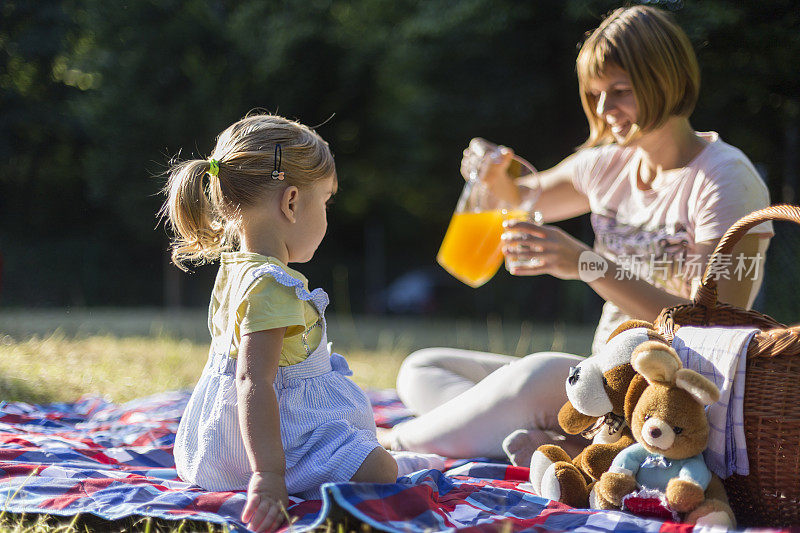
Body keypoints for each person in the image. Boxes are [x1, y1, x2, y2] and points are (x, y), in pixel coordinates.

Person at [379, 5, 773, 465]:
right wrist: (490, 169)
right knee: (423, 368)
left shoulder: (725, 179)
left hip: (670, 394)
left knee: (538, 373)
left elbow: (715, 325)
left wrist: (588, 264)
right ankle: (569, 445)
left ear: (666, 81)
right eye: (595, 94)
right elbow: (520, 197)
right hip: (599, 384)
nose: (605, 111)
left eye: (621, 91)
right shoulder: (610, 163)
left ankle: (393, 447)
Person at [163, 114, 403, 532]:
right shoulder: (273, 285)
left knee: (372, 448)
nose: (327, 217)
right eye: (325, 202)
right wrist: (268, 477)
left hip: (217, 445)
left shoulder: (237, 269)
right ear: (292, 202)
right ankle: (290, 472)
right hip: (274, 442)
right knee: (383, 469)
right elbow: (253, 382)